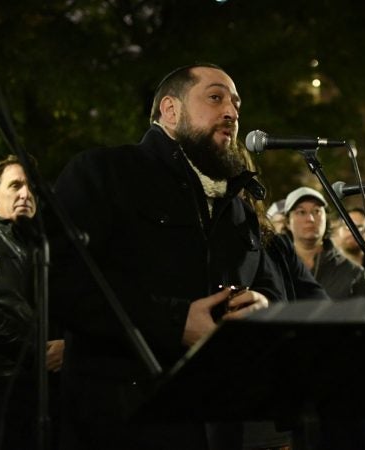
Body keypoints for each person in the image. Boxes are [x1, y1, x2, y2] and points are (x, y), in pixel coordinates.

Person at [49, 64, 281, 450]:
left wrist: (262, 306)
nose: (232, 113)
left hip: (217, 421)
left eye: (236, 103)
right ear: (170, 111)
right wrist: (173, 322)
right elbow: (62, 281)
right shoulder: (104, 172)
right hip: (122, 419)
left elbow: (269, 284)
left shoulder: (237, 203)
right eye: (215, 97)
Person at [0, 155, 64, 449]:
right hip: (6, 391)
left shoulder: (42, 246)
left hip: (35, 391)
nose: (26, 193)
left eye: (32, 187)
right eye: (15, 185)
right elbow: (1, 307)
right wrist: (47, 350)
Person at [284, 186, 365, 300]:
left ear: (326, 219)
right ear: (287, 222)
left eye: (317, 211)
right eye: (301, 212)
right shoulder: (277, 265)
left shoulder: (351, 272)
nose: (310, 219)